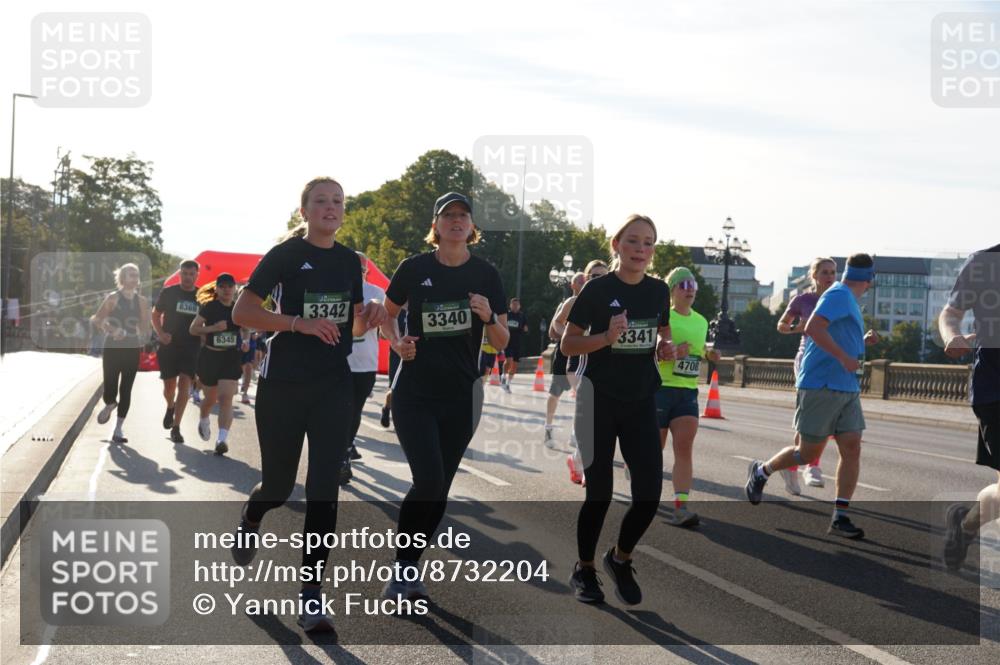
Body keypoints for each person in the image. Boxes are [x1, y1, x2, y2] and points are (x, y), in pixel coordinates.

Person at [228, 177, 387, 632]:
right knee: (278, 487)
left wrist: (369, 317)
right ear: (305, 211)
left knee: (324, 488)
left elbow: (349, 328)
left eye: (338, 201)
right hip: (283, 385)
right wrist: (298, 322)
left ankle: (312, 594)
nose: (331, 208)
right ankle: (252, 514)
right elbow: (243, 313)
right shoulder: (286, 255)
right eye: (321, 201)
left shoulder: (349, 262)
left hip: (333, 387)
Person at [379, 192, 508, 602]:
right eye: (448, 215)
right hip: (415, 392)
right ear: (435, 226)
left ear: (472, 228)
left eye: (463, 216)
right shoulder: (414, 268)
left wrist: (488, 317)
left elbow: (502, 338)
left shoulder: (487, 274)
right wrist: (398, 343)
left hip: (462, 396)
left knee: (440, 488)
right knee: (428, 479)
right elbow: (387, 316)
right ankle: (401, 569)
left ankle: (410, 565)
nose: (456, 221)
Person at [562, 214, 673, 605]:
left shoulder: (659, 291)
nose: (641, 249)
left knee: (648, 495)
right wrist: (607, 337)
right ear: (617, 245)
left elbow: (662, 334)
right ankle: (585, 569)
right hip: (597, 401)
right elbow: (568, 345)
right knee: (600, 494)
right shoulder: (596, 290)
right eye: (633, 241)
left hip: (641, 400)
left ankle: (620, 558)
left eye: (648, 243)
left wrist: (666, 349)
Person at [745, 253, 880, 539]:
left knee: (852, 447)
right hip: (821, 385)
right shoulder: (839, 295)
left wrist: (860, 343)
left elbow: (834, 331)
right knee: (807, 454)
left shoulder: (847, 299)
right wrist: (844, 356)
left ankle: (840, 515)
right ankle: (761, 471)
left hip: (846, 387)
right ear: (869, 280)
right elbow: (813, 327)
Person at [940, 244, 1000, 570]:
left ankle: (966, 523)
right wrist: (952, 335)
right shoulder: (984, 262)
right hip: (995, 390)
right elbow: (951, 312)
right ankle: (965, 526)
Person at [656, 267, 722, 528]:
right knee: (654, 451)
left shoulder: (702, 321)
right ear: (672, 290)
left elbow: (697, 348)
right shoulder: (663, 319)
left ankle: (680, 507)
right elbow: (651, 351)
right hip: (660, 389)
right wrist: (668, 354)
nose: (689, 288)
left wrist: (708, 354)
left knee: (683, 449)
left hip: (687, 392)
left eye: (692, 284)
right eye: (683, 284)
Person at [775, 257, 838, 493]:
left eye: (833, 272)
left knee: (823, 417)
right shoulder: (803, 300)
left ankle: (791, 466)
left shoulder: (839, 300)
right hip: (807, 360)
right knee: (813, 413)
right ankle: (812, 465)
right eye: (824, 272)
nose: (829, 276)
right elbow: (781, 325)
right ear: (814, 275)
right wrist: (798, 328)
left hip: (831, 360)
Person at [91, 263, 151, 444]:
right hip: (112, 346)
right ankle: (110, 402)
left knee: (127, 388)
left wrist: (146, 326)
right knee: (110, 382)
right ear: (122, 278)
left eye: (136, 275)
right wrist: (113, 330)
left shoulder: (142, 301)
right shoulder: (113, 297)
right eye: (130, 274)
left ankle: (118, 429)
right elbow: (97, 319)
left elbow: (144, 328)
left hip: (132, 347)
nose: (134, 278)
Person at [340, 251, 386, 485]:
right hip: (337, 362)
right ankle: (339, 455)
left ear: (367, 272)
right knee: (339, 411)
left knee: (354, 410)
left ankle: (345, 449)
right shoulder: (334, 288)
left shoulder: (376, 293)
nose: (358, 273)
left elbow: (387, 326)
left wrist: (376, 311)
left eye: (362, 270)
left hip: (364, 362)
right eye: (353, 268)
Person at [562, 260, 610, 485]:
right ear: (585, 279)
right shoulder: (576, 302)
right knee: (590, 416)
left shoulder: (613, 301)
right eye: (594, 276)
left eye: (603, 275)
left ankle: (577, 458)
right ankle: (587, 468)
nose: (599, 280)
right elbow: (555, 327)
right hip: (580, 362)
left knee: (596, 420)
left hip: (607, 366)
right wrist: (576, 335)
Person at [189, 273, 247, 455]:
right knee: (210, 399)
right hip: (210, 358)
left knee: (225, 398)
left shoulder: (238, 308)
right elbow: (193, 329)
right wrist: (213, 328)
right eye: (222, 286)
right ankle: (204, 417)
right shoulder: (209, 307)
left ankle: (222, 439)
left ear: (235, 288)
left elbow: (245, 329)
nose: (227, 289)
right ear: (217, 288)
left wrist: (245, 340)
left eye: (230, 286)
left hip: (230, 358)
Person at [152, 259, 201, 444]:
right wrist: (161, 334)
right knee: (168, 387)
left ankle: (176, 427)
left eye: (191, 274)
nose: (188, 277)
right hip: (169, 345)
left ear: (197, 275)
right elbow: (155, 315)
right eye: (185, 273)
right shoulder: (169, 292)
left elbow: (206, 320)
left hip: (191, 346)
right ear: (179, 274)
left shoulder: (202, 296)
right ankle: (170, 406)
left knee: (185, 385)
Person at [544, 272, 586, 451]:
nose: (584, 282)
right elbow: (553, 328)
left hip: (583, 353)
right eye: (580, 280)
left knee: (581, 393)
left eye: (585, 280)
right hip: (564, 352)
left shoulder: (598, 302)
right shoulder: (567, 303)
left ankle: (576, 434)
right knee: (556, 392)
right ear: (572, 285)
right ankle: (548, 426)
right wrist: (570, 337)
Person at [380, 307, 407, 429]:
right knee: (395, 389)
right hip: (398, 354)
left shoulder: (420, 304)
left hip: (417, 354)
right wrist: (395, 337)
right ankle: (387, 408)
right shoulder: (396, 309)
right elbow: (383, 334)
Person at [501, 297, 529, 393]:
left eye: (517, 305)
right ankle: (503, 376)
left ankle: (508, 384)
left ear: (520, 306)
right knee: (509, 360)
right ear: (510, 305)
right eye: (514, 305)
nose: (515, 306)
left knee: (515, 365)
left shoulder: (522, 316)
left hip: (517, 342)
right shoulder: (507, 315)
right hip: (508, 341)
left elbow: (525, 328)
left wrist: (525, 329)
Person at [240, 327, 258, 405]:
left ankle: (245, 394)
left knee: (248, 369)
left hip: (250, 341)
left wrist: (256, 333)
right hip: (237, 336)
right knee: (237, 367)